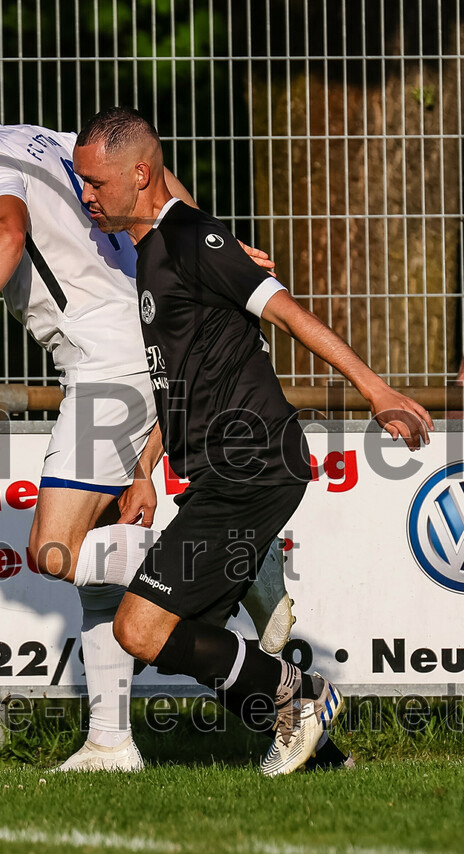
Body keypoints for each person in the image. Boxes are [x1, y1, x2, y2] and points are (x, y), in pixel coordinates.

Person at [0, 55, 297, 772]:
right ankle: (110, 740)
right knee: (100, 549)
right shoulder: (37, 137)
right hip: (142, 343)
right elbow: (152, 186)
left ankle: (247, 569)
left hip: (109, 367)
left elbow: (3, 232)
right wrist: (212, 243)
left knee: (53, 551)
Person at [71, 106, 433, 774]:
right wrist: (147, 467)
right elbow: (173, 381)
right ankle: (320, 755)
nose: (85, 194)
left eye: (94, 182)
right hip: (220, 472)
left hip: (253, 464)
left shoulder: (193, 240)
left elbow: (292, 315)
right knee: (187, 635)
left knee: (138, 626)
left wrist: (377, 392)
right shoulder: (151, 253)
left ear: (141, 174)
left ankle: (304, 693)